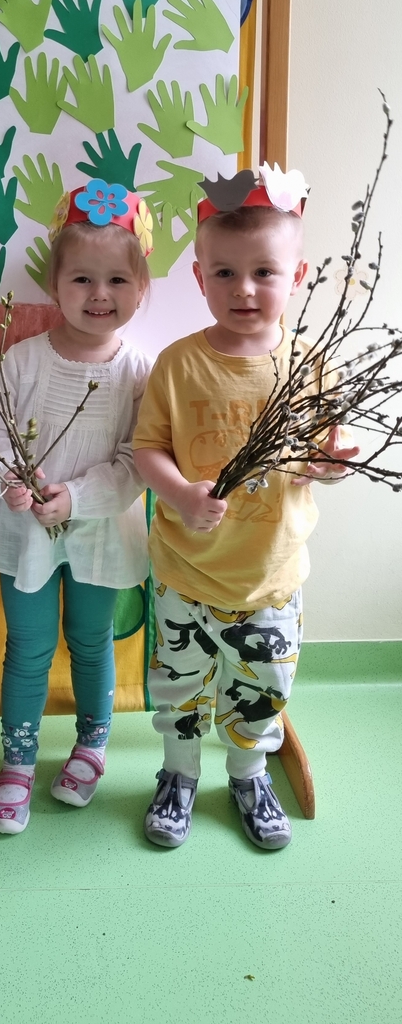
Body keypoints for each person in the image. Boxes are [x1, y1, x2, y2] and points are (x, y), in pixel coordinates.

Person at [133, 167, 358, 851]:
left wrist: (333, 464)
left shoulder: (309, 364)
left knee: (262, 688)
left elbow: (327, 452)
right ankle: (177, 774)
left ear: (298, 275)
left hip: (270, 579)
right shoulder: (178, 364)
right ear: (199, 278)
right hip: (185, 574)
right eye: (225, 273)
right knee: (178, 687)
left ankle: (249, 775)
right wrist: (179, 494)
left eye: (264, 272)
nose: (244, 289)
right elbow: (147, 450)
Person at [0, 181, 154, 834]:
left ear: (141, 288)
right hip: (25, 532)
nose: (99, 294)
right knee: (27, 644)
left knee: (91, 638)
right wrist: (10, 482)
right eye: (82, 278)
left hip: (100, 532)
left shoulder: (140, 371)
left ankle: (91, 745)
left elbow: (138, 462)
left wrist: (76, 496)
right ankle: (18, 760)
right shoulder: (23, 360)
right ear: (54, 283)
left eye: (117, 280)